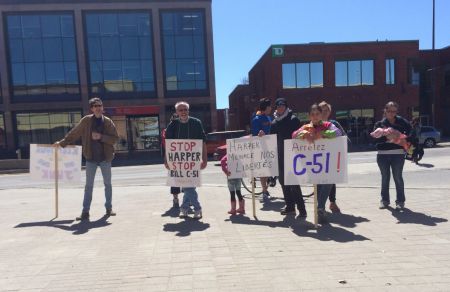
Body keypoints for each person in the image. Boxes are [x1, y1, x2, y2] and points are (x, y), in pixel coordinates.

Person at [55, 97, 119, 220]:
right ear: (92, 109)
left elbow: (114, 139)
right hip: (90, 158)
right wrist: (63, 143)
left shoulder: (108, 122)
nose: (98, 108)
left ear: (102, 107)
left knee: (108, 184)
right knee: (89, 186)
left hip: (105, 158)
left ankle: (109, 208)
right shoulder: (86, 121)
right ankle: (85, 212)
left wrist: (101, 137)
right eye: (95, 106)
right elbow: (75, 133)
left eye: (100, 105)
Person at [292, 104, 342, 223]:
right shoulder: (306, 127)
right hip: (312, 163)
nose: (315, 116)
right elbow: (294, 135)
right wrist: (304, 134)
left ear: (321, 115)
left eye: (317, 114)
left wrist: (323, 134)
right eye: (312, 114)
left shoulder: (328, 125)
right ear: (309, 115)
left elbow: (338, 133)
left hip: (327, 162)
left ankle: (320, 208)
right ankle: (320, 211)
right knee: (318, 185)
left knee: (329, 181)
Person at [164, 101, 207, 219]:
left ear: (188, 111)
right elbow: (168, 145)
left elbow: (203, 141)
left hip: (193, 160)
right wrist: (166, 160)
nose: (183, 112)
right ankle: (191, 208)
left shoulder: (196, 123)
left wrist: (205, 159)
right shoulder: (172, 125)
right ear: (177, 112)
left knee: (189, 186)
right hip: (177, 161)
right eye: (180, 110)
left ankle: (187, 208)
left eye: (185, 110)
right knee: (188, 186)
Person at [269, 98, 306, 217]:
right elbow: (271, 139)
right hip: (280, 157)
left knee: (294, 183)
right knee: (283, 182)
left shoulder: (293, 119)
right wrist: (262, 136)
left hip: (293, 156)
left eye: (283, 105)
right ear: (276, 107)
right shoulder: (274, 122)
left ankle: (302, 209)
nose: (281, 107)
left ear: (286, 106)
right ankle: (290, 207)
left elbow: (300, 137)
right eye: (278, 105)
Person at [372, 101, 411, 210]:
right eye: (389, 111)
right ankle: (384, 201)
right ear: (385, 110)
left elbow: (411, 133)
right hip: (382, 155)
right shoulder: (379, 124)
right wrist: (387, 137)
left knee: (398, 178)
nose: (391, 113)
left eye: (394, 111)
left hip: (398, 155)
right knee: (385, 178)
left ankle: (400, 202)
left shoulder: (402, 122)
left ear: (396, 111)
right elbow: (374, 140)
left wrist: (401, 138)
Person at [318, 101, 347, 214]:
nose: (324, 112)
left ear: (329, 112)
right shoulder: (314, 124)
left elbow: (343, 137)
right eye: (321, 110)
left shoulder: (334, 124)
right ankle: (320, 207)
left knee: (331, 182)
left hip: (332, 158)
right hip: (318, 160)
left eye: (326, 110)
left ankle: (332, 202)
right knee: (319, 183)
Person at [251, 97, 272, 201]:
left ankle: (267, 188)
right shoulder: (257, 119)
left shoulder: (269, 118)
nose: (271, 108)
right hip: (261, 148)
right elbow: (255, 134)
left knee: (269, 170)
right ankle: (264, 191)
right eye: (270, 106)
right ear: (266, 107)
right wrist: (259, 134)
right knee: (264, 171)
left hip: (271, 147)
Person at [161, 113, 181, 208]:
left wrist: (166, 158)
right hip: (182, 155)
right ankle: (187, 197)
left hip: (173, 156)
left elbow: (165, 146)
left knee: (174, 178)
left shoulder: (167, 129)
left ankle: (176, 198)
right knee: (186, 177)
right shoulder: (183, 127)